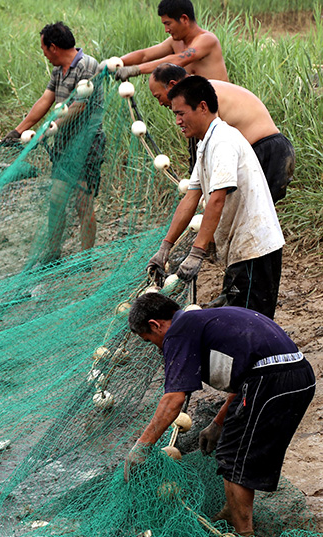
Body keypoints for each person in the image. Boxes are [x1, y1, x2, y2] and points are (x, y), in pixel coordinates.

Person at [125, 293, 315, 537]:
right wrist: (218, 422)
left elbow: (174, 399)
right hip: (300, 377)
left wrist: (142, 446)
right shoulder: (205, 320)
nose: (157, 347)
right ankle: (232, 511)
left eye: (150, 340)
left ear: (155, 324)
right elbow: (247, 372)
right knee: (236, 448)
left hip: (272, 382)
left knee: (234, 457)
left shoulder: (178, 332)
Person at [147, 76, 285, 318]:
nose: (177, 121)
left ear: (202, 107)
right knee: (240, 320)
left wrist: (197, 253)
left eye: (181, 113)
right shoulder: (204, 144)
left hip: (255, 249)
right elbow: (190, 199)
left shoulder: (223, 141)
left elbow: (217, 200)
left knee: (253, 324)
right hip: (240, 250)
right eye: (174, 114)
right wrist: (164, 248)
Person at [4, 21, 104, 263]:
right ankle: (52, 255)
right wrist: (19, 130)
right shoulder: (59, 70)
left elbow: (79, 107)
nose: (45, 55)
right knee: (56, 201)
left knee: (83, 204)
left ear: (53, 47)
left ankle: (86, 259)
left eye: (44, 49)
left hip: (86, 145)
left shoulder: (88, 65)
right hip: (63, 146)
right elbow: (46, 100)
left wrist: (50, 129)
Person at [149, 64, 294, 203]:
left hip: (267, 152)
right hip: (273, 150)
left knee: (248, 216)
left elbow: (212, 142)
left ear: (172, 85)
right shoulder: (200, 92)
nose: (160, 103)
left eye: (157, 97)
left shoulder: (200, 96)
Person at [115, 0, 228, 82]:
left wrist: (136, 70)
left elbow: (178, 60)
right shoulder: (175, 42)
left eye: (168, 24)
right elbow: (144, 55)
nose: (166, 30)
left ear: (184, 19)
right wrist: (116, 62)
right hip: (197, 106)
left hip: (220, 103)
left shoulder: (207, 39)